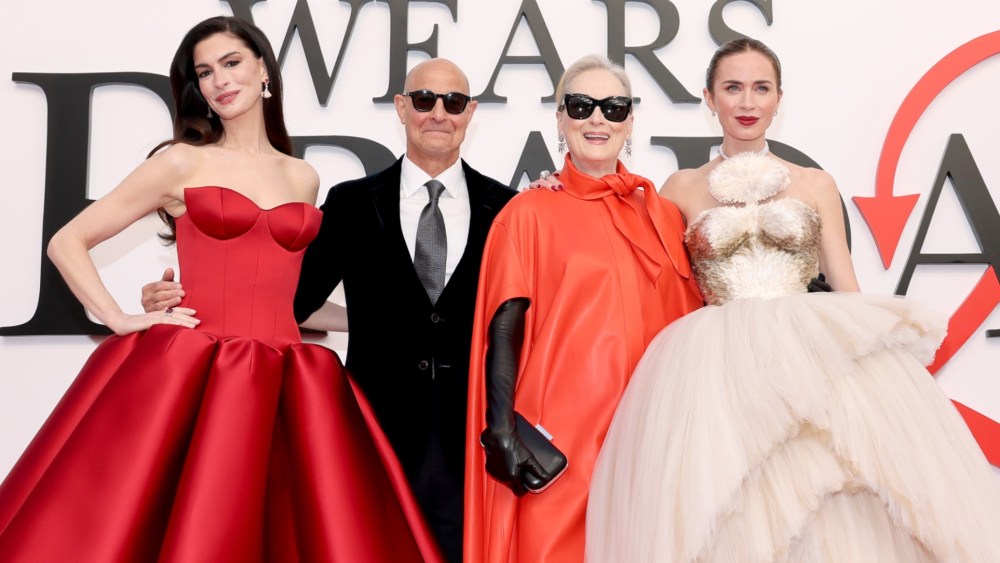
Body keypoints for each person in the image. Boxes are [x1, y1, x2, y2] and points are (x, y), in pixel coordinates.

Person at [0, 16, 440, 562]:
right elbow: (68, 241)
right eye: (204, 72)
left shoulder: (301, 177)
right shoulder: (182, 160)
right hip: (195, 372)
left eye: (231, 63)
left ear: (264, 73)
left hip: (288, 380)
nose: (219, 81)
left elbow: (289, 299)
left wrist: (370, 317)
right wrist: (121, 318)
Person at [585, 37, 1000, 563]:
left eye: (761, 88)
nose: (747, 102)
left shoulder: (815, 184)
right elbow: (641, 262)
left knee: (833, 498)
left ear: (780, 99)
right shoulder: (679, 188)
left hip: (807, 353)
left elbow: (846, 286)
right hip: (717, 371)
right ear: (709, 98)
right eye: (732, 88)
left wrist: (877, 372)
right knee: (731, 506)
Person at [142, 56, 515, 562]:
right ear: (402, 108)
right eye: (425, 100)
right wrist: (183, 296)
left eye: (453, 102)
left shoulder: (509, 209)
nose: (438, 114)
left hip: (471, 433)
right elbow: (285, 300)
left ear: (470, 113)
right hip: (371, 426)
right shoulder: (352, 202)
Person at [463, 54, 705, 563]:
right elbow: (502, 325)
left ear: (630, 122)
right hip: (562, 440)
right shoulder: (527, 212)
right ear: (560, 118)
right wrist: (501, 428)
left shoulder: (662, 213)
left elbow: (697, 319)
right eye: (582, 105)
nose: (598, 118)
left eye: (614, 108)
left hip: (647, 434)